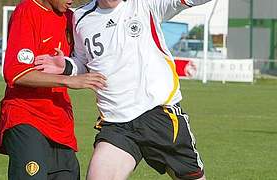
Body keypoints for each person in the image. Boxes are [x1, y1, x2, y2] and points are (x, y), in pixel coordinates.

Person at [36, 0, 212, 179]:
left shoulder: (144, 5)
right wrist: (66, 66)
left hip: (160, 116)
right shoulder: (81, 17)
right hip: (116, 124)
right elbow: (83, 61)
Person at [0, 0, 106, 180]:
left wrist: (68, 66)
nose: (71, 0)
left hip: (60, 122)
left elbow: (86, 61)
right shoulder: (27, 11)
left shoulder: (71, 18)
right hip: (25, 116)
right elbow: (16, 73)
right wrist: (69, 81)